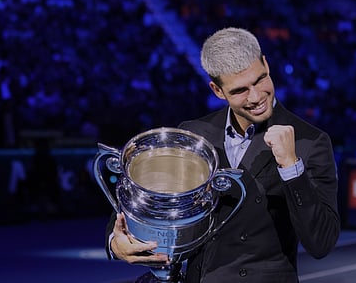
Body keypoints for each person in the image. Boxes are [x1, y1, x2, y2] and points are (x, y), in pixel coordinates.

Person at [105, 27, 340, 282]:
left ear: (266, 64)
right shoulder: (194, 135)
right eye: (240, 90)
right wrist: (116, 243)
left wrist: (291, 167)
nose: (256, 96)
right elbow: (140, 202)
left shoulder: (310, 141)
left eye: (260, 80)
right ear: (217, 90)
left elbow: (322, 242)